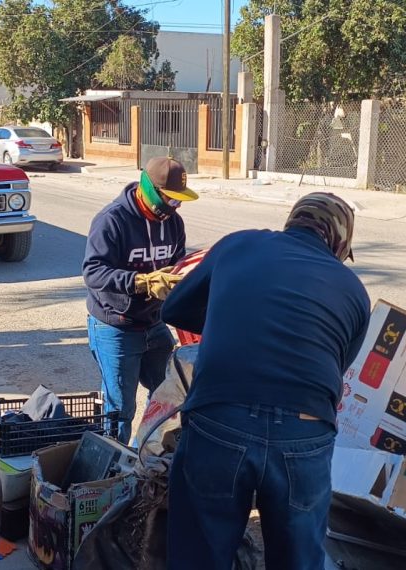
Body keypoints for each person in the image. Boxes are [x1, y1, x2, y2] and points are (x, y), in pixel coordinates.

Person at [162, 193, 371, 570]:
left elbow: (173, 308)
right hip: (304, 435)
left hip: (220, 418)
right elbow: (334, 367)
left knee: (198, 555)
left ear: (293, 221)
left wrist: (229, 320)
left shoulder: (240, 243)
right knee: (298, 559)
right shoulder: (354, 290)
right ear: (339, 240)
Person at [82, 157, 198, 445]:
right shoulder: (112, 220)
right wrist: (140, 282)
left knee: (167, 395)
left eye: (178, 201)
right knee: (119, 410)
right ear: (149, 189)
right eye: (170, 200)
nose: (175, 207)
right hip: (116, 325)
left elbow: (176, 264)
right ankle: (114, 471)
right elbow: (93, 272)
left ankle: (143, 455)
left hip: (153, 322)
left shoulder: (173, 223)